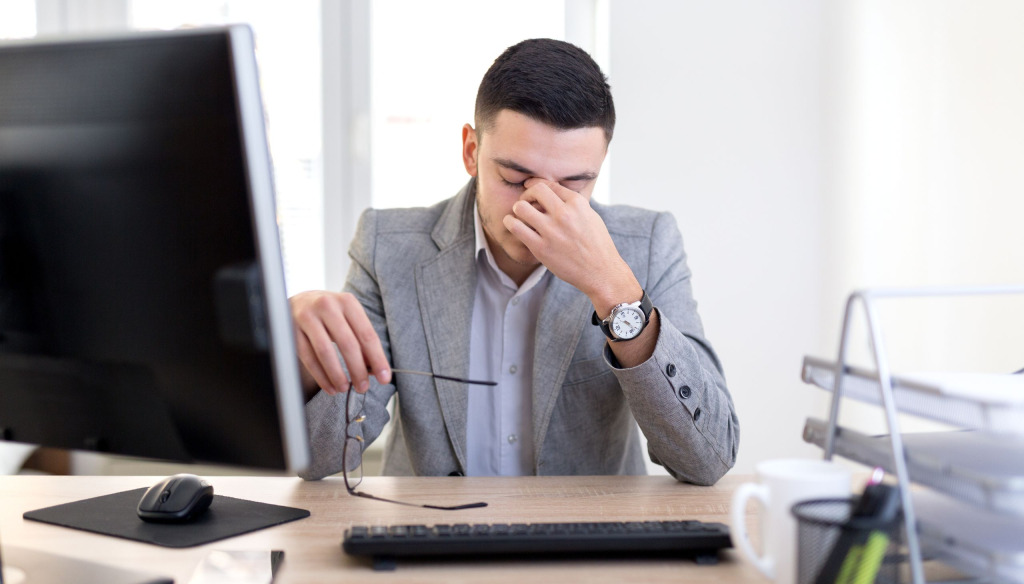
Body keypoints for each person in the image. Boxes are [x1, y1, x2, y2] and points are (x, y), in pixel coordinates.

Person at [293, 38, 738, 485]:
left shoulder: (646, 244)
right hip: (432, 542)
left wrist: (616, 293)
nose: (539, 207)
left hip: (586, 546)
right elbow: (316, 457)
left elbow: (708, 459)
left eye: (573, 183)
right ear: (471, 152)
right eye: (515, 179)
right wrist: (300, 357)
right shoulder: (386, 247)